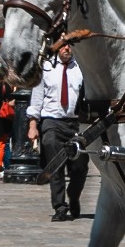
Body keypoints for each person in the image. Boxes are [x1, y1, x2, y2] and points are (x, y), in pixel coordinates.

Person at [27, 42, 86, 218]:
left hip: (77, 124)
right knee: (55, 164)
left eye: (69, 45)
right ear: (56, 47)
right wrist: (32, 125)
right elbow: (37, 99)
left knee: (80, 167)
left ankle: (73, 196)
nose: (67, 48)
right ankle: (60, 207)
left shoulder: (81, 68)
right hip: (52, 122)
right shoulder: (45, 68)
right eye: (63, 45)